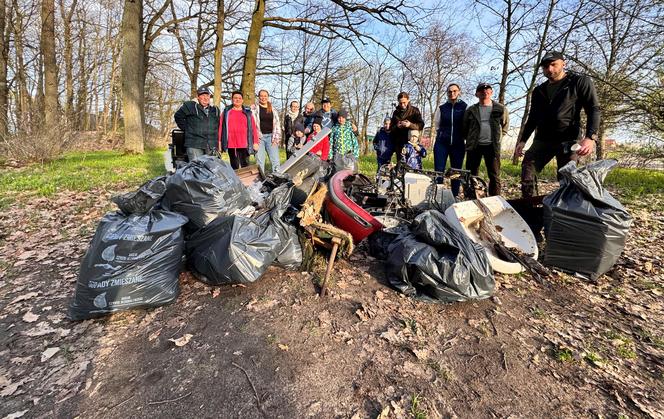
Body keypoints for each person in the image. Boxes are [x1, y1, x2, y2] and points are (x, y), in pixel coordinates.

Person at [515, 51, 601, 198]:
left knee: (566, 178)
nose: (550, 69)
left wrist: (590, 137)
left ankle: (565, 212)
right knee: (528, 168)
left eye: (553, 64)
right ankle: (530, 206)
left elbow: (593, 109)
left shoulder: (579, 82)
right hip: (543, 139)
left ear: (563, 63)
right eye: (546, 66)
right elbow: (532, 118)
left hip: (568, 139)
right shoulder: (539, 90)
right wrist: (522, 141)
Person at [463, 82, 509, 196]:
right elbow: (465, 128)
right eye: (481, 90)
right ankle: (472, 198)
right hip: (475, 146)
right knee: (471, 174)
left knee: (494, 175)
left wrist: (498, 138)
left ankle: (495, 199)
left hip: (492, 146)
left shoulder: (500, 108)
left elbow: (505, 126)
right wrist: (470, 139)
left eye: (487, 89)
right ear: (476, 94)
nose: (485, 92)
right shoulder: (471, 110)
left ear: (491, 92)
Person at [433, 83, 467, 196]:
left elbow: (468, 124)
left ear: (459, 92)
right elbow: (437, 125)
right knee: (439, 170)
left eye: (454, 91)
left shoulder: (464, 107)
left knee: (456, 172)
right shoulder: (442, 108)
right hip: (442, 143)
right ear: (447, 93)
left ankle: (454, 196)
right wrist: (442, 135)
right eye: (449, 91)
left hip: (458, 144)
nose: (452, 93)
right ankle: (438, 196)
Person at [174, 86, 220, 161]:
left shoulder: (215, 110)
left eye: (207, 95)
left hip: (211, 146)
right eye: (202, 95)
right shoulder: (189, 106)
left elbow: (218, 126)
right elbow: (178, 116)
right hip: (194, 144)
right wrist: (188, 129)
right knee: (197, 168)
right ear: (198, 97)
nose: (205, 98)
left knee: (211, 169)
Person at [218, 90, 260, 169]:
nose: (237, 100)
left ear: (242, 100)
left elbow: (253, 128)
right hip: (231, 144)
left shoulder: (248, 112)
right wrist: (220, 142)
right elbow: (221, 127)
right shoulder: (226, 112)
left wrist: (255, 142)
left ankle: (245, 181)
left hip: (244, 144)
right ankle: (236, 181)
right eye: (235, 98)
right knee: (234, 166)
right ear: (232, 99)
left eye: (239, 98)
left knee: (245, 166)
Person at [252, 89, 282, 173]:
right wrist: (254, 140)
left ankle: (277, 178)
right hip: (259, 138)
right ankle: (260, 182)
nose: (263, 97)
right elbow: (252, 125)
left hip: (271, 138)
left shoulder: (273, 109)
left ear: (268, 97)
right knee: (260, 161)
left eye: (265, 96)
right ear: (258, 97)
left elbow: (277, 125)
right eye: (261, 96)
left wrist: (276, 139)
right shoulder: (254, 109)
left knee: (275, 161)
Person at [390, 92, 424, 157]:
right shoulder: (395, 112)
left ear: (408, 100)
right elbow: (391, 128)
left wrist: (410, 125)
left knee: (413, 164)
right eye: (400, 103)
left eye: (404, 102)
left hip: (412, 143)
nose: (402, 105)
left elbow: (421, 125)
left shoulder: (415, 111)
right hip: (399, 144)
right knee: (400, 165)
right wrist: (397, 126)